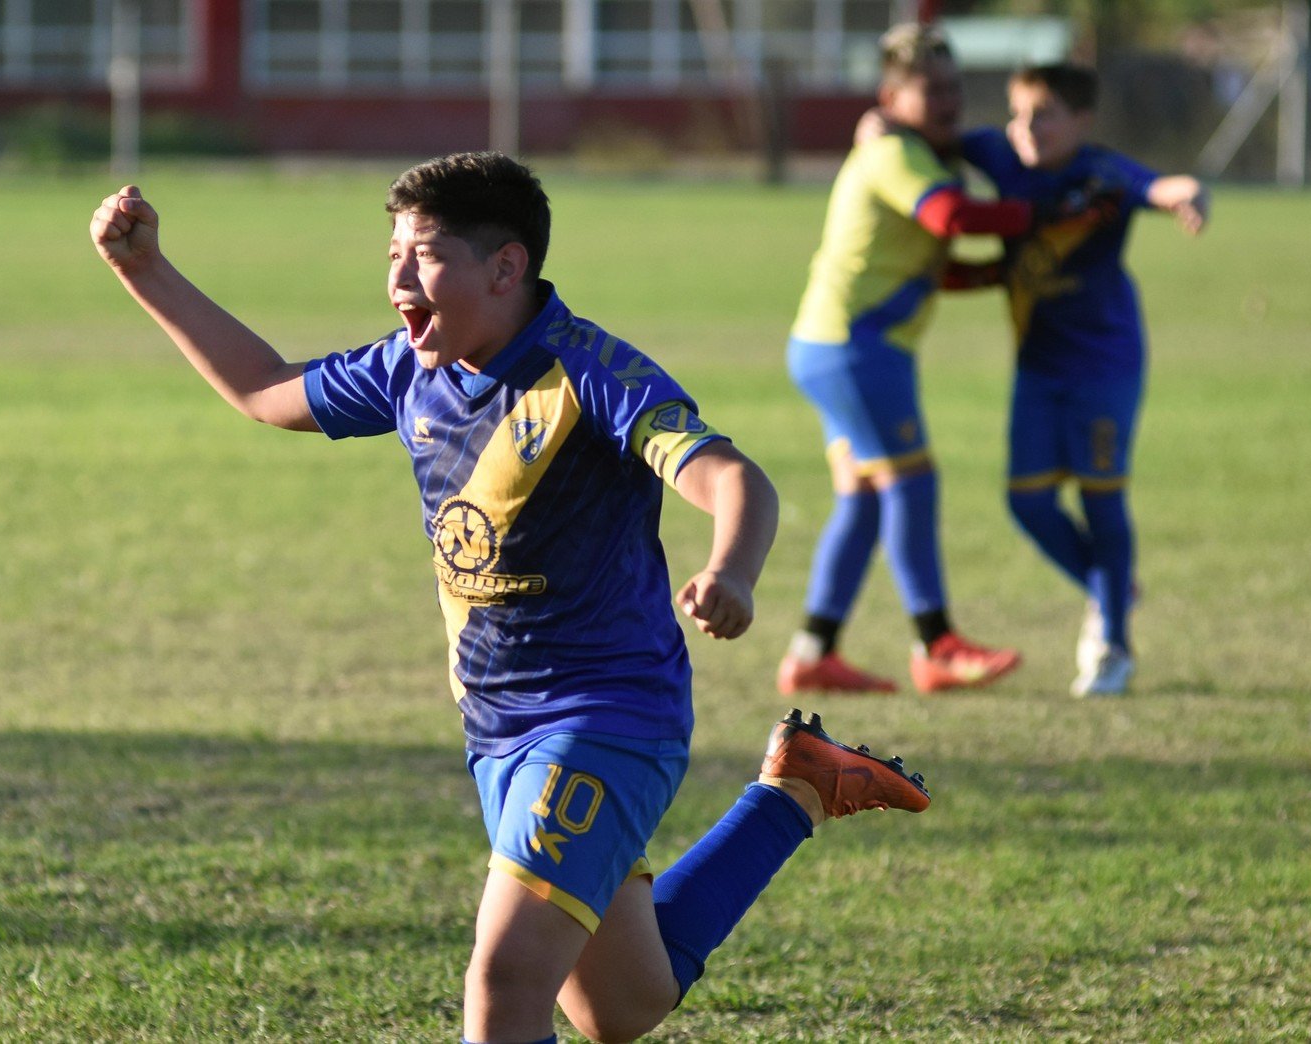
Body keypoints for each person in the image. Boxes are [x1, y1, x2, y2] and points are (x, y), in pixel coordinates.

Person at [90, 151, 932, 1044]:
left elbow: (733, 478)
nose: (398, 277)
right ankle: (798, 788)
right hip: (496, 730)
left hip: (606, 715)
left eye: (424, 254)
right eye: (391, 254)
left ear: (506, 266)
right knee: (619, 1008)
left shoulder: (593, 373)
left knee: (502, 984)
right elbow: (265, 389)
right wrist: (143, 269)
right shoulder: (410, 370)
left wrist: (731, 569)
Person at [779, 23, 1038, 698]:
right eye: (932, 90)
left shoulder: (913, 149)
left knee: (863, 502)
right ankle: (937, 645)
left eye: (955, 87)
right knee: (911, 485)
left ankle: (811, 653)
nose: (950, 100)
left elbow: (924, 265)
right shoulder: (894, 154)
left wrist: (992, 276)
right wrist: (1037, 213)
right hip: (856, 353)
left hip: (828, 345)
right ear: (891, 97)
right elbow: (950, 217)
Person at [957, 64, 1209, 696]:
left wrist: (1187, 193)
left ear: (1081, 121)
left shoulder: (1103, 174)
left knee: (1102, 502)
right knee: (1028, 502)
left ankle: (1113, 646)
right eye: (1018, 114)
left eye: (1043, 115)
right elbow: (935, 134)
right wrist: (881, 124)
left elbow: (1161, 185)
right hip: (1038, 367)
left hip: (1105, 365)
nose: (1025, 128)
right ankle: (1113, 588)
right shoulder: (1003, 154)